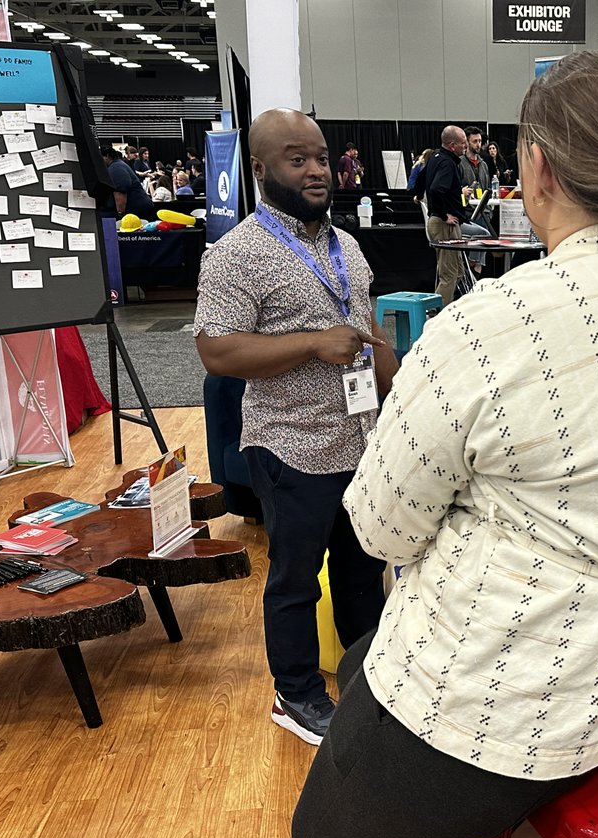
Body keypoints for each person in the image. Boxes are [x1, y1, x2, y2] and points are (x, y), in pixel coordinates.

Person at [287, 49, 598, 838]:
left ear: (536, 167)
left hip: (511, 712)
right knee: (361, 664)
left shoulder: (491, 324)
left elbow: (378, 528)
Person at [194, 108, 399, 746]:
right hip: (290, 445)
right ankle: (296, 692)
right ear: (259, 169)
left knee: (363, 569)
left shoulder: (347, 247)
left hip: (360, 439)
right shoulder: (238, 254)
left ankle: (365, 683)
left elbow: (366, 332)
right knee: (294, 577)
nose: (316, 171)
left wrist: (405, 392)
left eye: (320, 157)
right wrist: (313, 344)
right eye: (296, 159)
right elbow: (217, 352)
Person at [424, 125, 489, 303]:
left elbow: (421, 181)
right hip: (445, 223)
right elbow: (437, 189)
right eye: (464, 143)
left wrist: (415, 196)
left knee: (457, 271)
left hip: (449, 222)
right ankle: (436, 315)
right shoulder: (447, 163)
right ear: (453, 145)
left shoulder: (435, 157)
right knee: (449, 275)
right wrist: (445, 215)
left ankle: (447, 308)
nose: (466, 146)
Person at [458, 126, 494, 273]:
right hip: (467, 212)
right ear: (467, 142)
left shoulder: (484, 164)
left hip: (484, 210)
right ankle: (475, 265)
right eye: (475, 141)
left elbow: (487, 188)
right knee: (485, 232)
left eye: (479, 141)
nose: (478, 144)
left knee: (487, 227)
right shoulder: (459, 163)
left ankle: (475, 265)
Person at [102, 146, 155, 220]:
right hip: (139, 208)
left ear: (107, 156)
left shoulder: (115, 168)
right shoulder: (119, 164)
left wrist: (121, 214)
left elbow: (121, 191)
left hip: (137, 211)